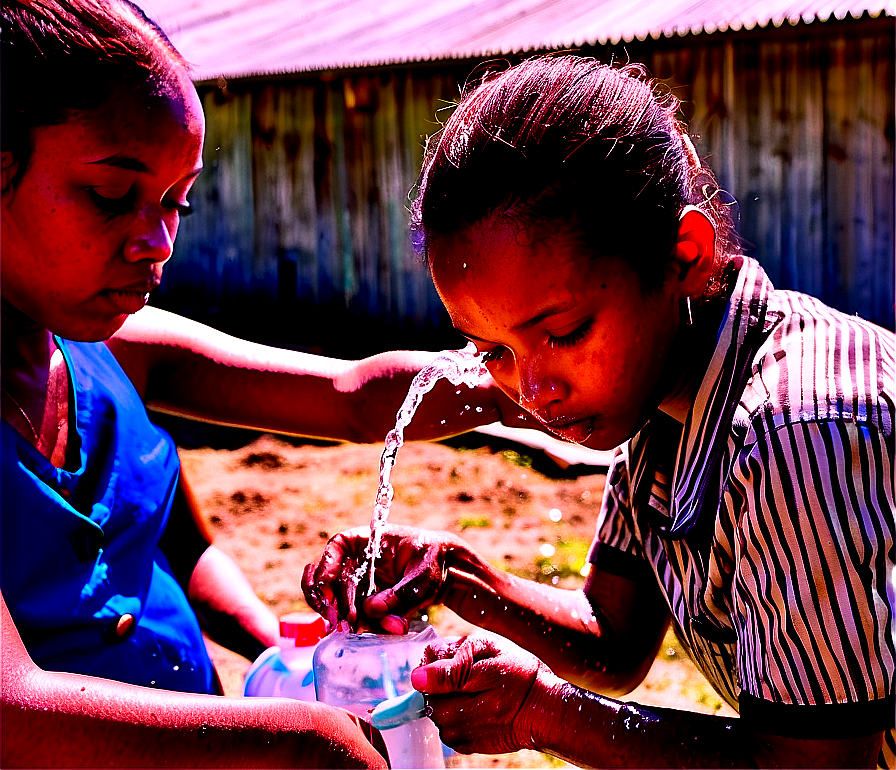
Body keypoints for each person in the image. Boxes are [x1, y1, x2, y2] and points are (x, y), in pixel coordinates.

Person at [0, 0, 530, 769]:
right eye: (114, 195)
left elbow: (349, 400)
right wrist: (295, 741)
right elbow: (14, 710)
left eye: (178, 201)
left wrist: (529, 379)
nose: (158, 243)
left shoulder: (108, 354)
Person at [303, 56, 895, 768]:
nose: (533, 391)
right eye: (492, 350)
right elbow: (614, 639)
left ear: (684, 253)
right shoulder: (663, 397)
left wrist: (540, 714)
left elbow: (818, 768)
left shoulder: (801, 433)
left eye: (565, 333)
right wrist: (454, 574)